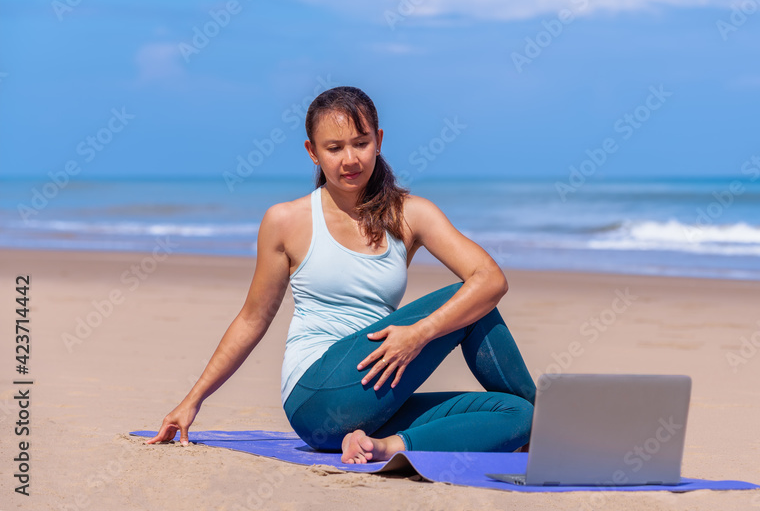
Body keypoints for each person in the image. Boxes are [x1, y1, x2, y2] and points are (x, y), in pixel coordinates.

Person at [146, 86, 537, 463]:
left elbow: (492, 279)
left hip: (377, 394)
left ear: (379, 140)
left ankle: (386, 447)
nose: (350, 159)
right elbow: (253, 318)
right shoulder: (286, 221)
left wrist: (418, 335)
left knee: (517, 414)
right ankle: (555, 430)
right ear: (312, 152)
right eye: (334, 148)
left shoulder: (410, 215)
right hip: (316, 397)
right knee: (471, 301)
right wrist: (192, 400)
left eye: (361, 142)